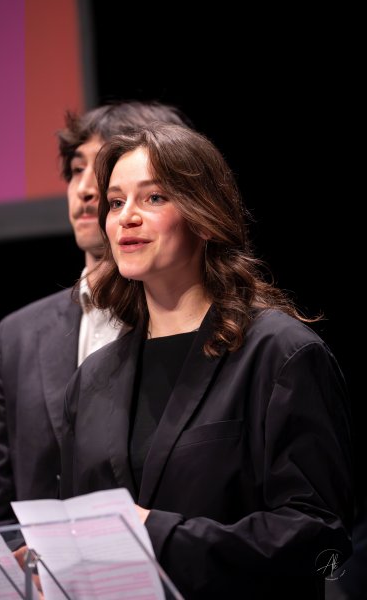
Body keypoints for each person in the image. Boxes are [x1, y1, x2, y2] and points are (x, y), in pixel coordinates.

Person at [60, 122, 353, 600]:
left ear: (204, 216)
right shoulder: (92, 378)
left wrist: (156, 534)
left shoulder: (279, 354)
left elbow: (321, 539)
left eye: (153, 198)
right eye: (115, 202)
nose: (126, 217)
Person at [0, 102, 193, 530]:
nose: (86, 189)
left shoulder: (193, 321)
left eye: (104, 169)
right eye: (75, 170)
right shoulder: (18, 337)